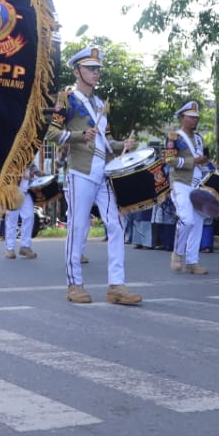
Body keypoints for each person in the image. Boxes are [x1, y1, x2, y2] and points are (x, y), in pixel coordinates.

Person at [45, 45, 142, 305]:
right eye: (90, 68)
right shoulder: (67, 99)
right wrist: (79, 135)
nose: (96, 72)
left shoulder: (100, 104)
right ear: (77, 72)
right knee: (78, 227)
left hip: (103, 173)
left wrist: (123, 145)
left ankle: (116, 286)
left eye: (98, 69)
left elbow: (107, 142)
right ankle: (74, 284)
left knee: (116, 225)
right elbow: (52, 134)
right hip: (80, 172)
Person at [164, 101, 209, 274]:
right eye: (191, 117)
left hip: (197, 183)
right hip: (180, 183)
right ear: (182, 118)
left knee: (198, 222)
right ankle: (177, 254)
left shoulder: (199, 139)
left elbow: (201, 161)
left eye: (196, 117)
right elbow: (170, 160)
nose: (195, 120)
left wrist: (205, 164)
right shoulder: (174, 137)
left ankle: (192, 262)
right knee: (186, 220)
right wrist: (193, 161)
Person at [3, 168, 38, 260]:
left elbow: (33, 168)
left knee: (29, 216)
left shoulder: (29, 159)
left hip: (26, 191)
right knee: (12, 220)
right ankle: (9, 248)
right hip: (12, 190)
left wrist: (44, 175)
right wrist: (24, 177)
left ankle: (25, 246)